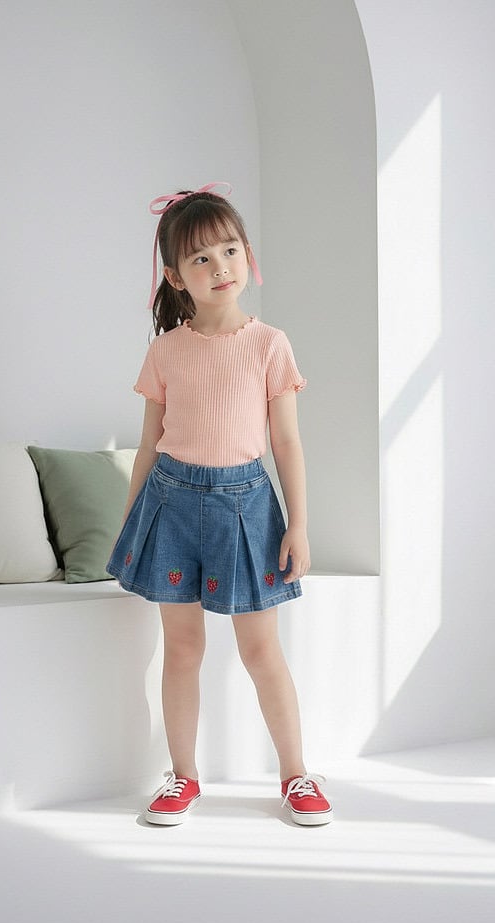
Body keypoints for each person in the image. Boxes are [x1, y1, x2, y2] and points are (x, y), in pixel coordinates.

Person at [107, 182, 332, 827]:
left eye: (230, 250)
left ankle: (296, 773)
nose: (220, 267)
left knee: (262, 651)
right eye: (201, 258)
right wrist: (132, 524)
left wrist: (299, 526)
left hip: (247, 508)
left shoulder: (270, 344)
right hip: (171, 504)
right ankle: (183, 777)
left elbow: (286, 442)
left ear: (248, 255)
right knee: (182, 649)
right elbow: (148, 445)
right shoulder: (165, 350)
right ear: (176, 277)